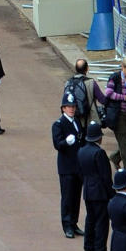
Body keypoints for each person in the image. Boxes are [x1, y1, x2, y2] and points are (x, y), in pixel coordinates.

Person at [77, 121, 115, 251]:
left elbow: (80, 172)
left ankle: (88, 250)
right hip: (100, 193)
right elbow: (105, 176)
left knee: (90, 220)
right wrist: (112, 194)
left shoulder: (81, 151)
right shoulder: (99, 153)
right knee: (101, 222)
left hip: (88, 191)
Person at [53, 92, 85, 239]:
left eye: (73, 106)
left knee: (76, 196)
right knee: (67, 197)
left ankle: (74, 223)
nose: (71, 109)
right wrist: (66, 142)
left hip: (78, 166)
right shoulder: (59, 124)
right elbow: (57, 144)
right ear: (63, 108)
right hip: (66, 167)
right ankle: (67, 226)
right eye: (68, 106)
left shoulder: (76, 122)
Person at [65, 58, 106, 134]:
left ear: (76, 68)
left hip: (73, 118)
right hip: (89, 119)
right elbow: (102, 100)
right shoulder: (91, 82)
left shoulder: (68, 82)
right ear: (87, 68)